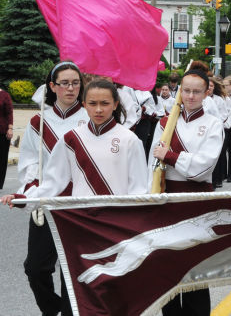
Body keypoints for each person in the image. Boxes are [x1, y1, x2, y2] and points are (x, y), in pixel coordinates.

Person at [3, 77, 148, 316]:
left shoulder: (129, 140)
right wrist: (22, 199)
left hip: (115, 228)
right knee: (77, 291)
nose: (99, 109)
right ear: (84, 104)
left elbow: (138, 191)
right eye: (92, 103)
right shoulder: (71, 138)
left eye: (104, 103)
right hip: (79, 226)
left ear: (115, 104)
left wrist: (130, 228)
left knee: (112, 293)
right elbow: (53, 183)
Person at [11, 62, 89, 316]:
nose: (71, 88)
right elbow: (30, 160)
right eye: (64, 83)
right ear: (52, 87)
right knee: (36, 268)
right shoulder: (39, 122)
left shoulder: (90, 117)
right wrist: (33, 188)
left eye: (75, 82)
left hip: (79, 204)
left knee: (73, 270)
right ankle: (52, 307)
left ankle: (69, 311)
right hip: (46, 202)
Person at [149, 61, 225, 315]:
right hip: (167, 199)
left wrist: (170, 156)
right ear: (180, 91)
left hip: (197, 199)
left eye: (197, 91)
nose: (191, 96)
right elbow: (152, 163)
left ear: (206, 94)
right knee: (167, 265)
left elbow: (202, 168)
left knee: (195, 267)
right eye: (186, 90)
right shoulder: (165, 123)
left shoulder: (214, 124)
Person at [0, 84, 13, 190]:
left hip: (2, 132)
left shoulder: (4, 95)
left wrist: (10, 128)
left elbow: (9, 113)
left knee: (2, 158)